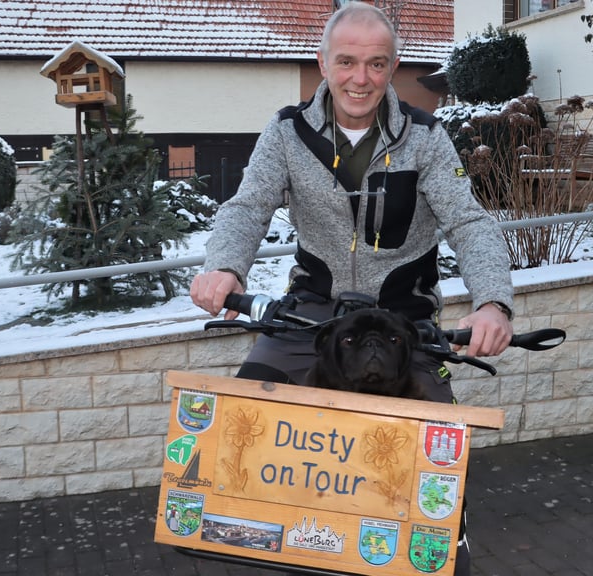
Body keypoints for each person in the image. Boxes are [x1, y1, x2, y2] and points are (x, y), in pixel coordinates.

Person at [190, 3, 514, 574]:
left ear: (392, 68)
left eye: (376, 64)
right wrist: (226, 268)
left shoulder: (427, 137)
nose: (359, 79)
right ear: (322, 63)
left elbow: (468, 221)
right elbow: (248, 206)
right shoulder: (287, 132)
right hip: (314, 316)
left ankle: (445, 552)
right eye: (346, 62)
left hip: (401, 323)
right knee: (244, 429)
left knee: (439, 468)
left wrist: (492, 300)